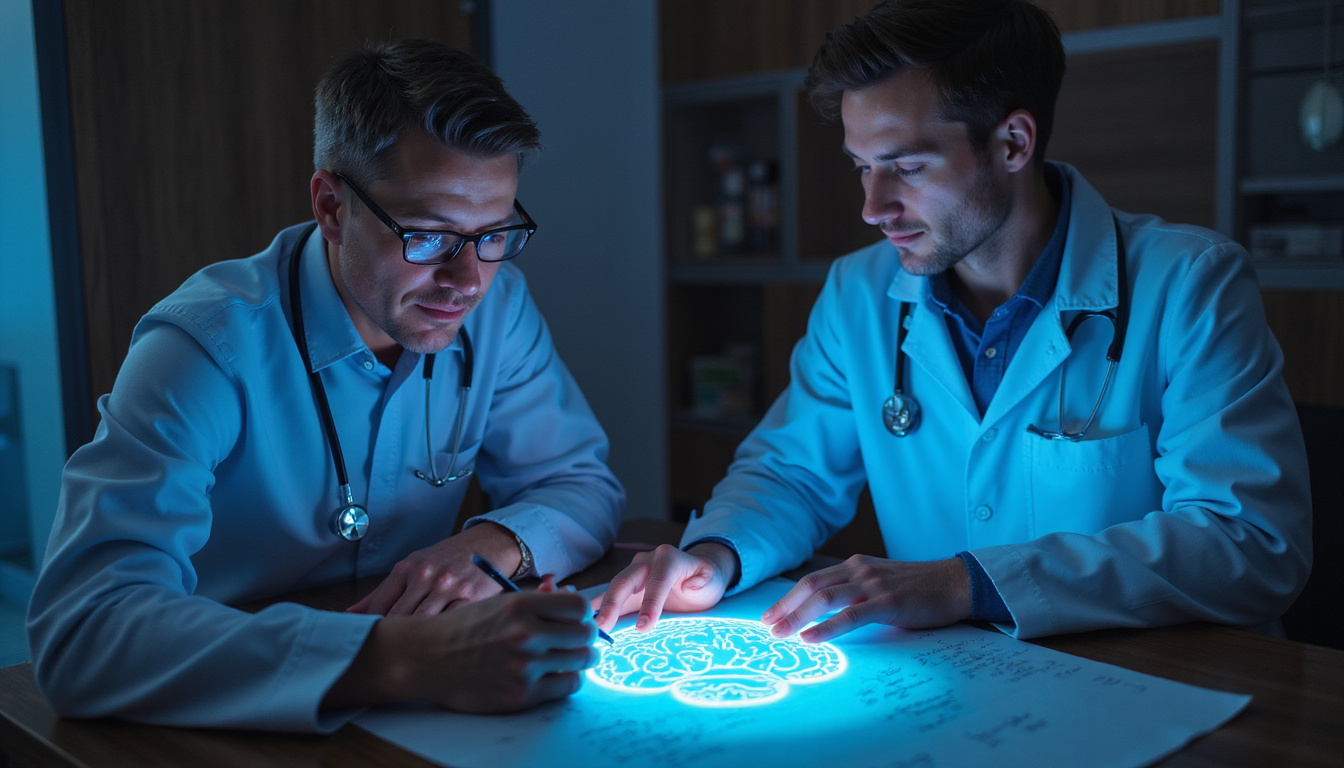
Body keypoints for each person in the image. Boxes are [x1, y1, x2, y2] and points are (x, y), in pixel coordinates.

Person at [597, 0, 1311, 645]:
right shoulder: (858, 291)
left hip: (1169, 678)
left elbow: (1249, 541)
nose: (873, 207)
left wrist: (964, 583)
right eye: (861, 168)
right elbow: (792, 474)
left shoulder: (1190, 282)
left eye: (906, 167)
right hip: (965, 688)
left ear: (1012, 143)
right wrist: (716, 554)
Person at [27, 39, 624, 731]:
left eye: (495, 234)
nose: (468, 282)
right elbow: (83, 634)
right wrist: (406, 658)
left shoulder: (499, 307)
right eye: (430, 235)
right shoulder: (202, 347)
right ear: (332, 206)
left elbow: (583, 484)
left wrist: (493, 543)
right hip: (217, 711)